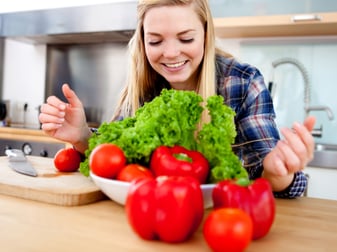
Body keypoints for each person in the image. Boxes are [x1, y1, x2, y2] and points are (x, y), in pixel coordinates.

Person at [39, 0, 315, 198]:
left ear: (205, 35)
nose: (170, 53)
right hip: (154, 216)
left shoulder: (242, 82)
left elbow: (275, 178)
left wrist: (279, 175)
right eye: (156, 41)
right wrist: (82, 136)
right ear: (143, 40)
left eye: (185, 38)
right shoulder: (142, 84)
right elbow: (118, 158)